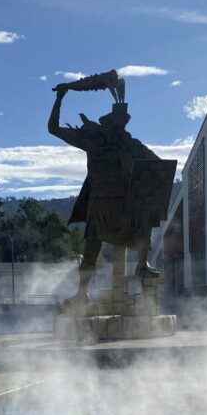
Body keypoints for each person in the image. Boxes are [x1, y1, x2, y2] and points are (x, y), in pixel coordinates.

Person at [49, 80, 162, 303]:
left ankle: (142, 264)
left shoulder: (131, 145)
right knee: (91, 248)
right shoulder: (94, 141)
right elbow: (53, 129)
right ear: (109, 123)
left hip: (126, 203)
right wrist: (59, 99)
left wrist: (149, 186)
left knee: (144, 218)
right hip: (99, 203)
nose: (121, 126)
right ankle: (82, 293)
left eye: (124, 123)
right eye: (118, 122)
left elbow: (157, 165)